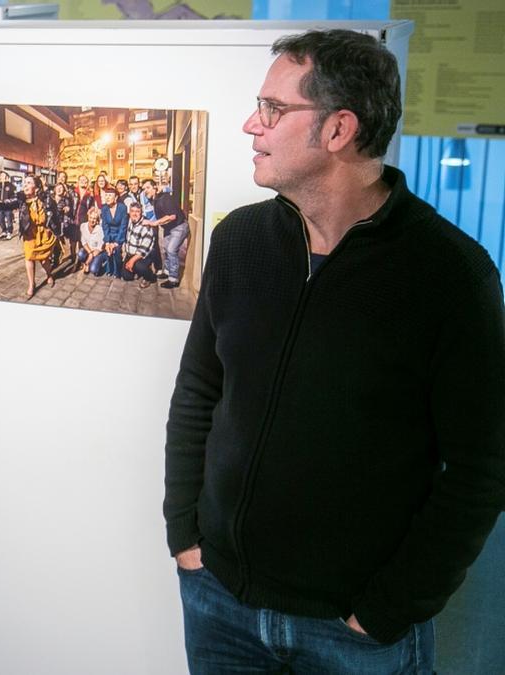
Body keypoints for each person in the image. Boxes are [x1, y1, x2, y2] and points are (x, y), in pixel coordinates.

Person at [163, 29, 505, 674]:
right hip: (219, 600)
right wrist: (185, 533)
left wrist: (389, 607)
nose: (250, 124)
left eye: (272, 109)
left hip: (352, 627)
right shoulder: (240, 240)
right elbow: (199, 391)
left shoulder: (450, 274)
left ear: (339, 129)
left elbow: (480, 468)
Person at [18, 173, 58, 299]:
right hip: (29, 233)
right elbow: (5, 204)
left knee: (44, 259)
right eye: (25, 182)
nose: (25, 184)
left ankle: (49, 274)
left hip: (43, 233)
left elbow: (55, 212)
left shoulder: (45, 198)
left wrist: (56, 229)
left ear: (36, 187)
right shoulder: (20, 200)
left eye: (29, 182)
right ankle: (31, 284)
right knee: (29, 258)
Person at [144, 178, 188, 288]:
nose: (145, 190)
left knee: (171, 250)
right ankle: (167, 272)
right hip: (169, 228)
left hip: (178, 227)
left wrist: (154, 223)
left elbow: (172, 216)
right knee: (166, 249)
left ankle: (174, 279)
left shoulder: (165, 198)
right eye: (144, 188)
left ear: (155, 187)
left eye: (148, 187)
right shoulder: (155, 199)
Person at [119, 202, 157, 287]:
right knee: (126, 276)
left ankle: (149, 276)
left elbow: (144, 249)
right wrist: (124, 251)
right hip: (130, 253)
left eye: (137, 211)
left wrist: (132, 261)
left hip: (142, 256)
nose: (134, 214)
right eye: (132, 211)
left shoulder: (146, 226)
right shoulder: (129, 221)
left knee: (140, 267)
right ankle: (136, 270)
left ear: (141, 212)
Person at [99, 188, 128, 277]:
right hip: (109, 235)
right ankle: (109, 269)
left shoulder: (122, 208)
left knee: (116, 250)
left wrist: (115, 243)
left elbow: (123, 227)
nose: (107, 198)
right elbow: (105, 226)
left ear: (116, 197)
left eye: (110, 195)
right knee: (107, 250)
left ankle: (117, 271)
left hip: (120, 234)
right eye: (106, 195)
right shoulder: (104, 208)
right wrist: (107, 242)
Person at [77, 206, 107, 276]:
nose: (92, 220)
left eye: (94, 219)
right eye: (90, 218)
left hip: (98, 252)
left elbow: (100, 248)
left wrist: (90, 258)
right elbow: (83, 241)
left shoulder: (100, 230)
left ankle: (101, 262)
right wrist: (90, 253)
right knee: (80, 254)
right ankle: (87, 262)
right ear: (88, 217)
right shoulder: (83, 226)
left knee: (94, 270)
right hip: (88, 250)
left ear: (97, 220)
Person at [0, 170, 18, 239]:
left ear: (6, 176)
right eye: (1, 176)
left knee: (9, 219)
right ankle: (4, 231)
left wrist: (10, 201)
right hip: (0, 205)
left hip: (7, 205)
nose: (1, 177)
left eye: (3, 175)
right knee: (0, 219)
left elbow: (14, 196)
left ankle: (9, 232)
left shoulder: (10, 185)